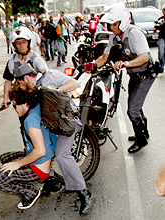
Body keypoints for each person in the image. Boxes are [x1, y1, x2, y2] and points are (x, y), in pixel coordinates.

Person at [13, 63, 92, 216]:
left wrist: (55, 91)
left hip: (65, 123)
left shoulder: (50, 76)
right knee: (37, 147)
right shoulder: (31, 89)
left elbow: (75, 83)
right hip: (50, 127)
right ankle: (51, 181)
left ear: (26, 77)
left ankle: (84, 193)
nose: (20, 85)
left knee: (62, 154)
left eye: (20, 81)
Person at [95, 2, 156, 153]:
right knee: (134, 105)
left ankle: (141, 140)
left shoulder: (134, 33)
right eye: (109, 25)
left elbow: (144, 57)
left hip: (146, 74)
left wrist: (126, 63)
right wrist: (89, 67)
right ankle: (143, 131)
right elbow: (104, 57)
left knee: (133, 110)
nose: (110, 28)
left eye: (113, 25)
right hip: (134, 75)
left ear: (122, 22)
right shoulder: (114, 37)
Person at [0, 83, 57, 209]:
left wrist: (18, 164)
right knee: (4, 158)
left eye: (15, 105)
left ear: (25, 104)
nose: (14, 109)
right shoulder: (36, 105)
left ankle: (30, 192)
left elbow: (40, 151)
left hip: (39, 168)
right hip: (45, 156)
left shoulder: (30, 121)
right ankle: (23, 178)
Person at [2, 26, 48, 108]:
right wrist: (5, 100)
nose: (21, 46)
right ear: (14, 45)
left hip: (37, 96)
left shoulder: (36, 58)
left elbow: (46, 73)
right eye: (18, 43)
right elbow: (8, 81)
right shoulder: (11, 62)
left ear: (29, 42)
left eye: (24, 42)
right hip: (21, 99)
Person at [154, 5, 165, 73]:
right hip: (162, 38)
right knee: (161, 53)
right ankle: (161, 66)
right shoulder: (160, 19)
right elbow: (154, 29)